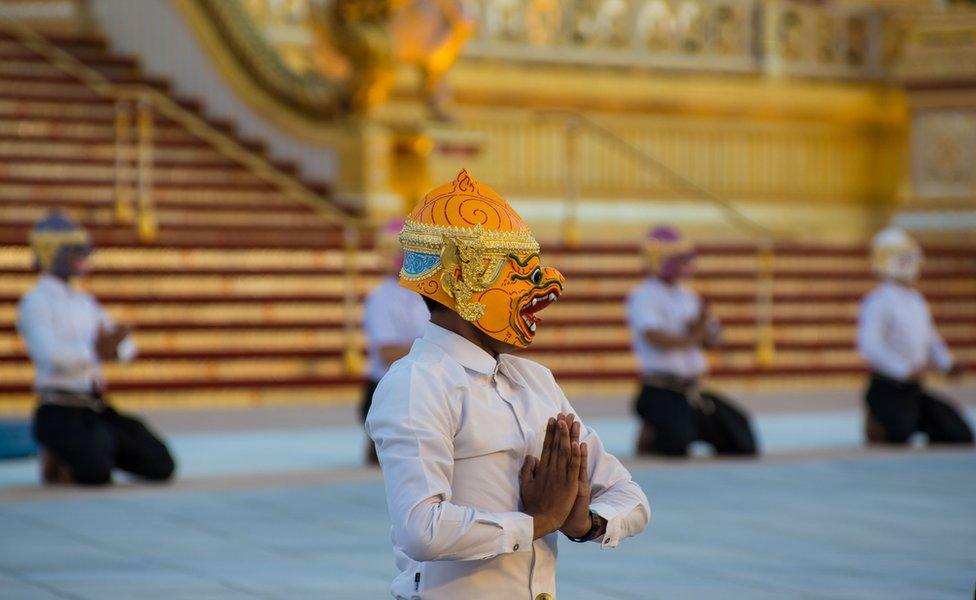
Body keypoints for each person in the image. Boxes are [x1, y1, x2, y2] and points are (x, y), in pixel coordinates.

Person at [366, 170, 650, 600]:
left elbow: (630, 496)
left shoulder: (535, 381)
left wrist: (582, 522)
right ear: (462, 284)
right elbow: (420, 529)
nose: (545, 291)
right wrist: (537, 522)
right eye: (516, 276)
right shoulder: (416, 384)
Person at [16, 212, 176, 485]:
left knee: (160, 463)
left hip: (94, 406)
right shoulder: (35, 302)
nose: (81, 257)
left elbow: (125, 348)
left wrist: (114, 348)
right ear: (51, 253)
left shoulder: (85, 302)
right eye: (73, 252)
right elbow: (50, 357)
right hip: (58, 408)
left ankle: (93, 447)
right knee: (95, 473)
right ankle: (58, 456)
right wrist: (95, 352)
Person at [626, 225, 757, 457]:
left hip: (693, 389)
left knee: (742, 439)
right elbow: (654, 336)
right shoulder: (644, 294)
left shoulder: (689, 296)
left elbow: (713, 338)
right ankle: (651, 429)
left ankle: (687, 425)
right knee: (675, 444)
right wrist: (694, 335)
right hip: (660, 388)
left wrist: (701, 329)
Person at [857, 227, 973, 445]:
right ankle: (876, 418)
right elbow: (869, 346)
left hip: (914, 388)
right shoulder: (877, 301)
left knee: (959, 433)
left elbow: (930, 337)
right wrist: (903, 369)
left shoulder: (916, 300)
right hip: (887, 385)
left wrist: (946, 363)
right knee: (899, 435)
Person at [361, 217, 430, 464]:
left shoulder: (422, 294)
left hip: (422, 384)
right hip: (387, 387)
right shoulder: (380, 298)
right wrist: (435, 346)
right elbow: (387, 352)